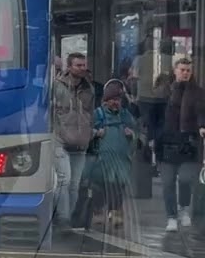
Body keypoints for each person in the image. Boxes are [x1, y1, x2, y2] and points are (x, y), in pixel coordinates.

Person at [149, 56, 205, 232]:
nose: (185, 73)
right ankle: (171, 216)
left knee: (186, 179)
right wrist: (153, 137)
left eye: (188, 70)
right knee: (167, 182)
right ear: (175, 71)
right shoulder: (164, 92)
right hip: (166, 144)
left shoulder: (198, 92)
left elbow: (202, 112)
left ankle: (183, 208)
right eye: (182, 70)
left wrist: (202, 126)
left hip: (189, 143)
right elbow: (153, 116)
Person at [87, 81, 138, 231]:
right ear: (105, 100)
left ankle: (115, 214)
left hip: (121, 161)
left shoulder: (126, 115)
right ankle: (98, 212)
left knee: (118, 187)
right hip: (101, 160)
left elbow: (138, 133)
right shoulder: (97, 114)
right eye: (112, 100)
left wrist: (132, 135)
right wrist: (96, 133)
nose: (116, 103)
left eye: (118, 100)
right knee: (99, 187)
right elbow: (86, 132)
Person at [52, 52, 96, 228]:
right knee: (64, 179)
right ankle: (63, 218)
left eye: (84, 65)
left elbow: (90, 114)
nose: (82, 68)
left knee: (75, 184)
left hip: (80, 141)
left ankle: (66, 217)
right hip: (59, 139)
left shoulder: (89, 89)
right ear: (69, 67)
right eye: (78, 65)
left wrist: (90, 132)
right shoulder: (56, 86)